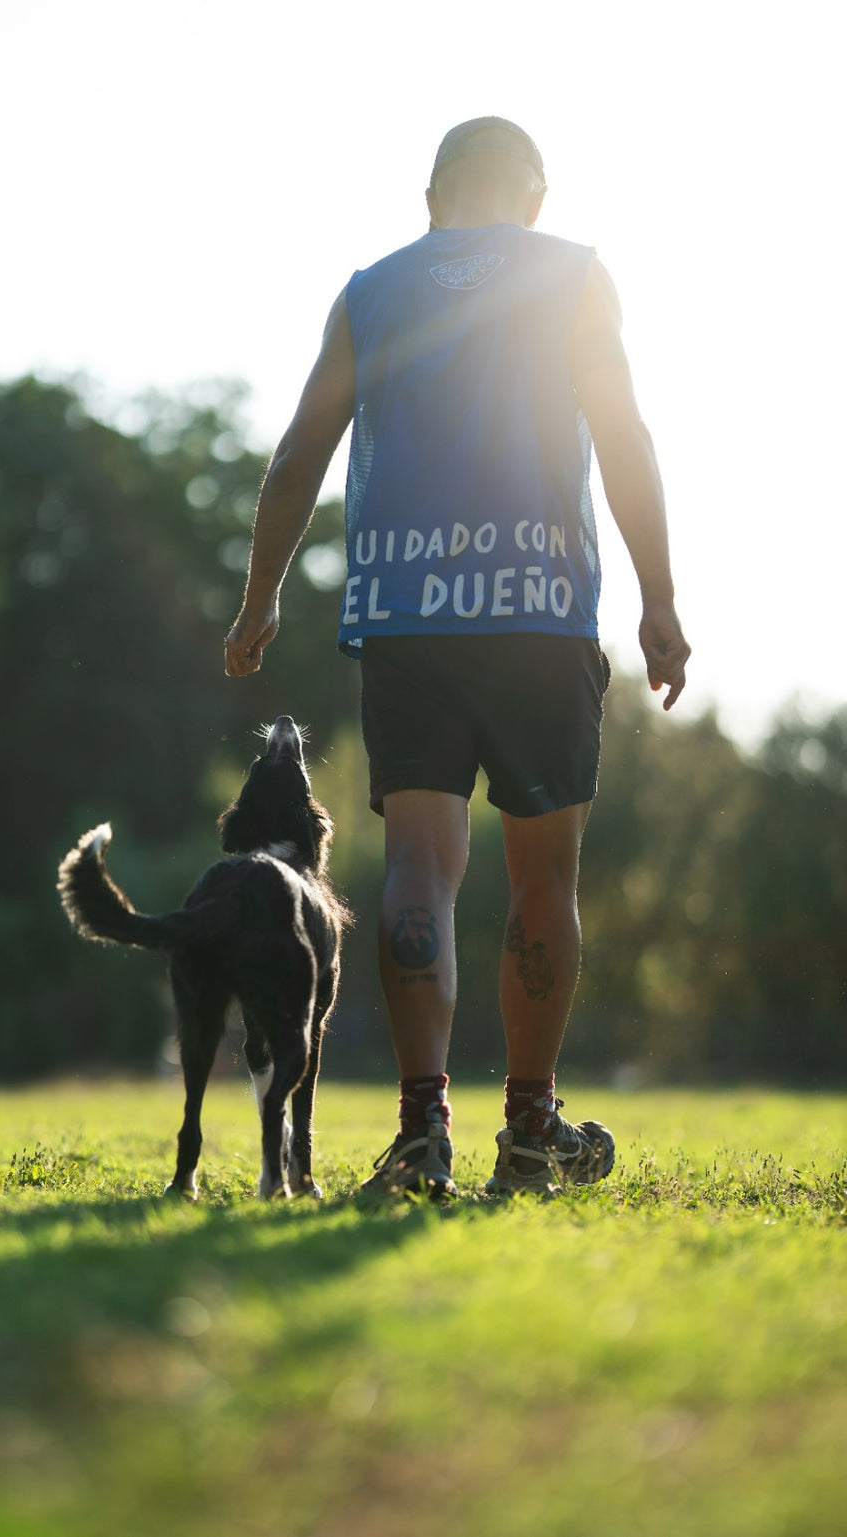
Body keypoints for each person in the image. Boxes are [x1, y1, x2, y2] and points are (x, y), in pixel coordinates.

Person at [225, 116, 690, 1198]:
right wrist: (659, 596)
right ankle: (530, 1128)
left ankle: (420, 1131)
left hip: (406, 613)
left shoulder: (372, 289)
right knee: (543, 877)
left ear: (431, 198)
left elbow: (300, 452)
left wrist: (261, 598)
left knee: (419, 868)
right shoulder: (571, 274)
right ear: (532, 198)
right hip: (540, 614)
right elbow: (623, 433)